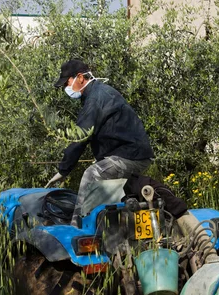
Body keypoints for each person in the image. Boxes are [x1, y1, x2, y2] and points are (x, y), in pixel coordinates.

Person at [45, 59, 154, 224]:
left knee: (92, 174)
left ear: (80, 77)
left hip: (131, 155)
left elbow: (80, 137)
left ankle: (77, 227)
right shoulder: (100, 93)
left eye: (67, 83)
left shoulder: (96, 99)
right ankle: (114, 228)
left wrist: (63, 170)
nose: (66, 89)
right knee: (107, 189)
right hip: (133, 154)